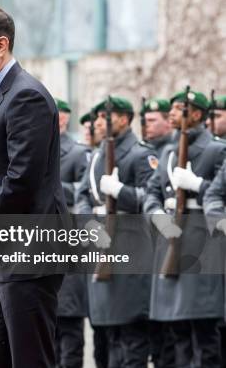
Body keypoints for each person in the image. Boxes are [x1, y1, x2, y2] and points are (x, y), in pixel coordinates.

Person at [0, 5, 67, 367]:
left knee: (30, 358)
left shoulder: (26, 95)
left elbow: (23, 176)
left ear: (1, 45)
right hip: (2, 249)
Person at [144, 89, 226, 368]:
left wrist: (197, 185)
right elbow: (152, 192)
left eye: (180, 108)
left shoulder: (216, 149)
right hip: (171, 238)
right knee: (176, 331)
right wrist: (156, 216)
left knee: (203, 330)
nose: (173, 113)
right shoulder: (168, 151)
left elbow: (219, 197)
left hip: (201, 242)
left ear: (197, 114)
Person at [76, 97, 156, 367]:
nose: (97, 123)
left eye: (104, 117)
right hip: (100, 245)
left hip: (130, 247)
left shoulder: (141, 153)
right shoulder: (98, 154)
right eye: (97, 118)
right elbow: (82, 196)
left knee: (131, 332)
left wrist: (121, 192)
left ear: (123, 119)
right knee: (105, 333)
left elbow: (150, 197)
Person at [53, 98, 89, 368]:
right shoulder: (30, 149)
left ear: (62, 119)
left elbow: (85, 194)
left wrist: (48, 186)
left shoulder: (77, 153)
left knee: (69, 323)